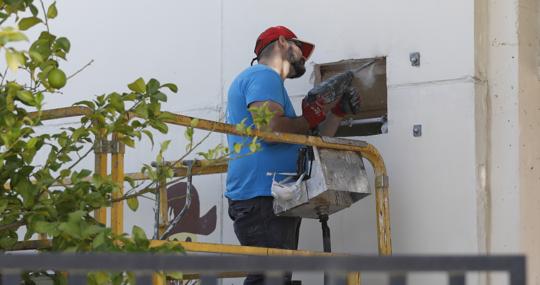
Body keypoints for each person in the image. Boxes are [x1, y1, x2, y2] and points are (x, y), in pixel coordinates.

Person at [225, 26, 360, 285]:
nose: (304, 57)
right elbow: (271, 129)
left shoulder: (270, 86)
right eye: (300, 48)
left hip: (272, 196)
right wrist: (309, 117)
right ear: (282, 42)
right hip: (262, 195)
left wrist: (336, 113)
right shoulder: (264, 75)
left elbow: (311, 142)